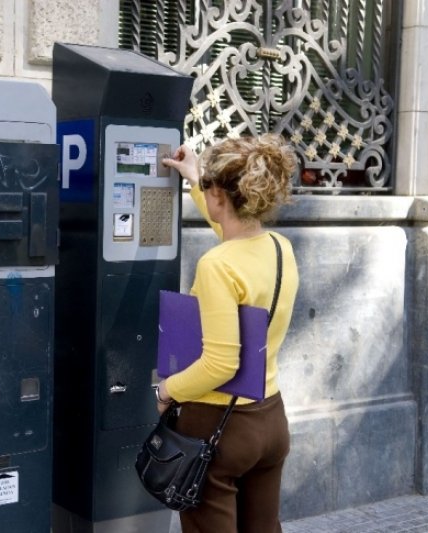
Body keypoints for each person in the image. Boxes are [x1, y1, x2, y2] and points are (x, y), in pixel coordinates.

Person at [157, 134, 299, 533]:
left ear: (220, 194)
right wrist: (195, 176)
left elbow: (220, 363)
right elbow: (235, 237)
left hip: (219, 426)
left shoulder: (217, 264)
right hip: (270, 421)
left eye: (207, 189)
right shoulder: (277, 247)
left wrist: (166, 391)